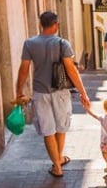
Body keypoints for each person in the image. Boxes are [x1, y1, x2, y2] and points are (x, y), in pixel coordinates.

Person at [15, 11, 91, 178]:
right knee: (61, 127)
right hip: (60, 91)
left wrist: (19, 90)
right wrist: (83, 91)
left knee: (48, 130)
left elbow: (24, 70)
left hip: (40, 92)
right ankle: (59, 159)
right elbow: (71, 70)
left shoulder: (29, 44)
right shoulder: (62, 43)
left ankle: (57, 165)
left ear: (41, 25)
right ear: (55, 24)